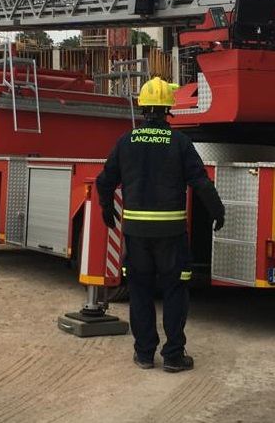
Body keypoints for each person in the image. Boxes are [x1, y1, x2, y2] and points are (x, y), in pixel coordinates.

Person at [95, 77, 225, 373]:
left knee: (140, 292)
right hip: (171, 234)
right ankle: (173, 356)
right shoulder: (180, 142)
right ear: (169, 110)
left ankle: (143, 354)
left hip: (136, 233)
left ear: (143, 110)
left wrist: (107, 208)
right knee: (175, 291)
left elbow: (105, 181)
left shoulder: (126, 141)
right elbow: (200, 182)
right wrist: (218, 211)